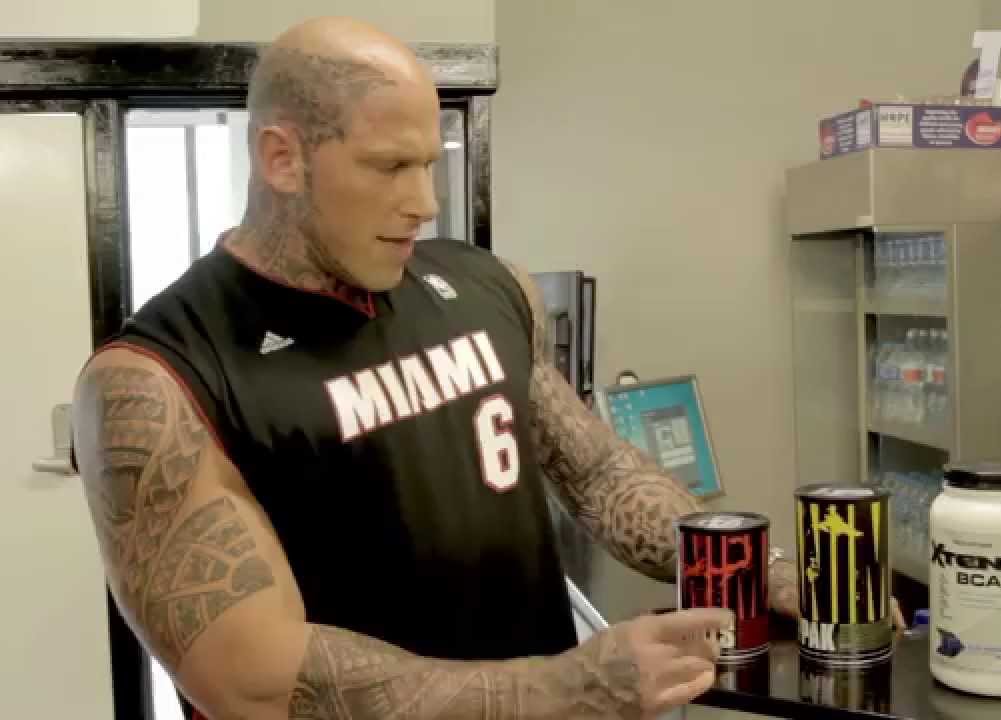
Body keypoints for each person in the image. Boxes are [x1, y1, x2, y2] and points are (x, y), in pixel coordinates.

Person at [70, 17, 809, 720]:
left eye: (427, 164)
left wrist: (762, 572)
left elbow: (598, 473)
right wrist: (571, 688)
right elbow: (257, 684)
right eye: (389, 166)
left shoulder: (487, 287)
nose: (424, 202)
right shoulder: (156, 381)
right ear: (282, 158)